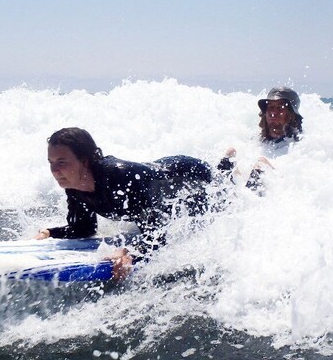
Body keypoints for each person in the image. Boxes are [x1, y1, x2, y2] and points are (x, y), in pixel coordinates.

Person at [35, 127, 219, 279]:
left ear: (84, 161)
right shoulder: (75, 187)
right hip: (169, 189)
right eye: (51, 162)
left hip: (191, 175)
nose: (54, 170)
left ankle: (228, 166)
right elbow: (84, 229)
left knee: (223, 200)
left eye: (61, 162)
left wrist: (130, 253)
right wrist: (50, 232)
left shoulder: (119, 178)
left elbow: (158, 233)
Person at [220, 87, 303, 190]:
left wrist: (266, 167)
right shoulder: (256, 141)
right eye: (270, 107)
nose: (273, 113)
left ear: (291, 115)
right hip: (238, 192)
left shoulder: (299, 145)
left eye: (280, 108)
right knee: (230, 153)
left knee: (261, 163)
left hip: (271, 194)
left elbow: (291, 181)